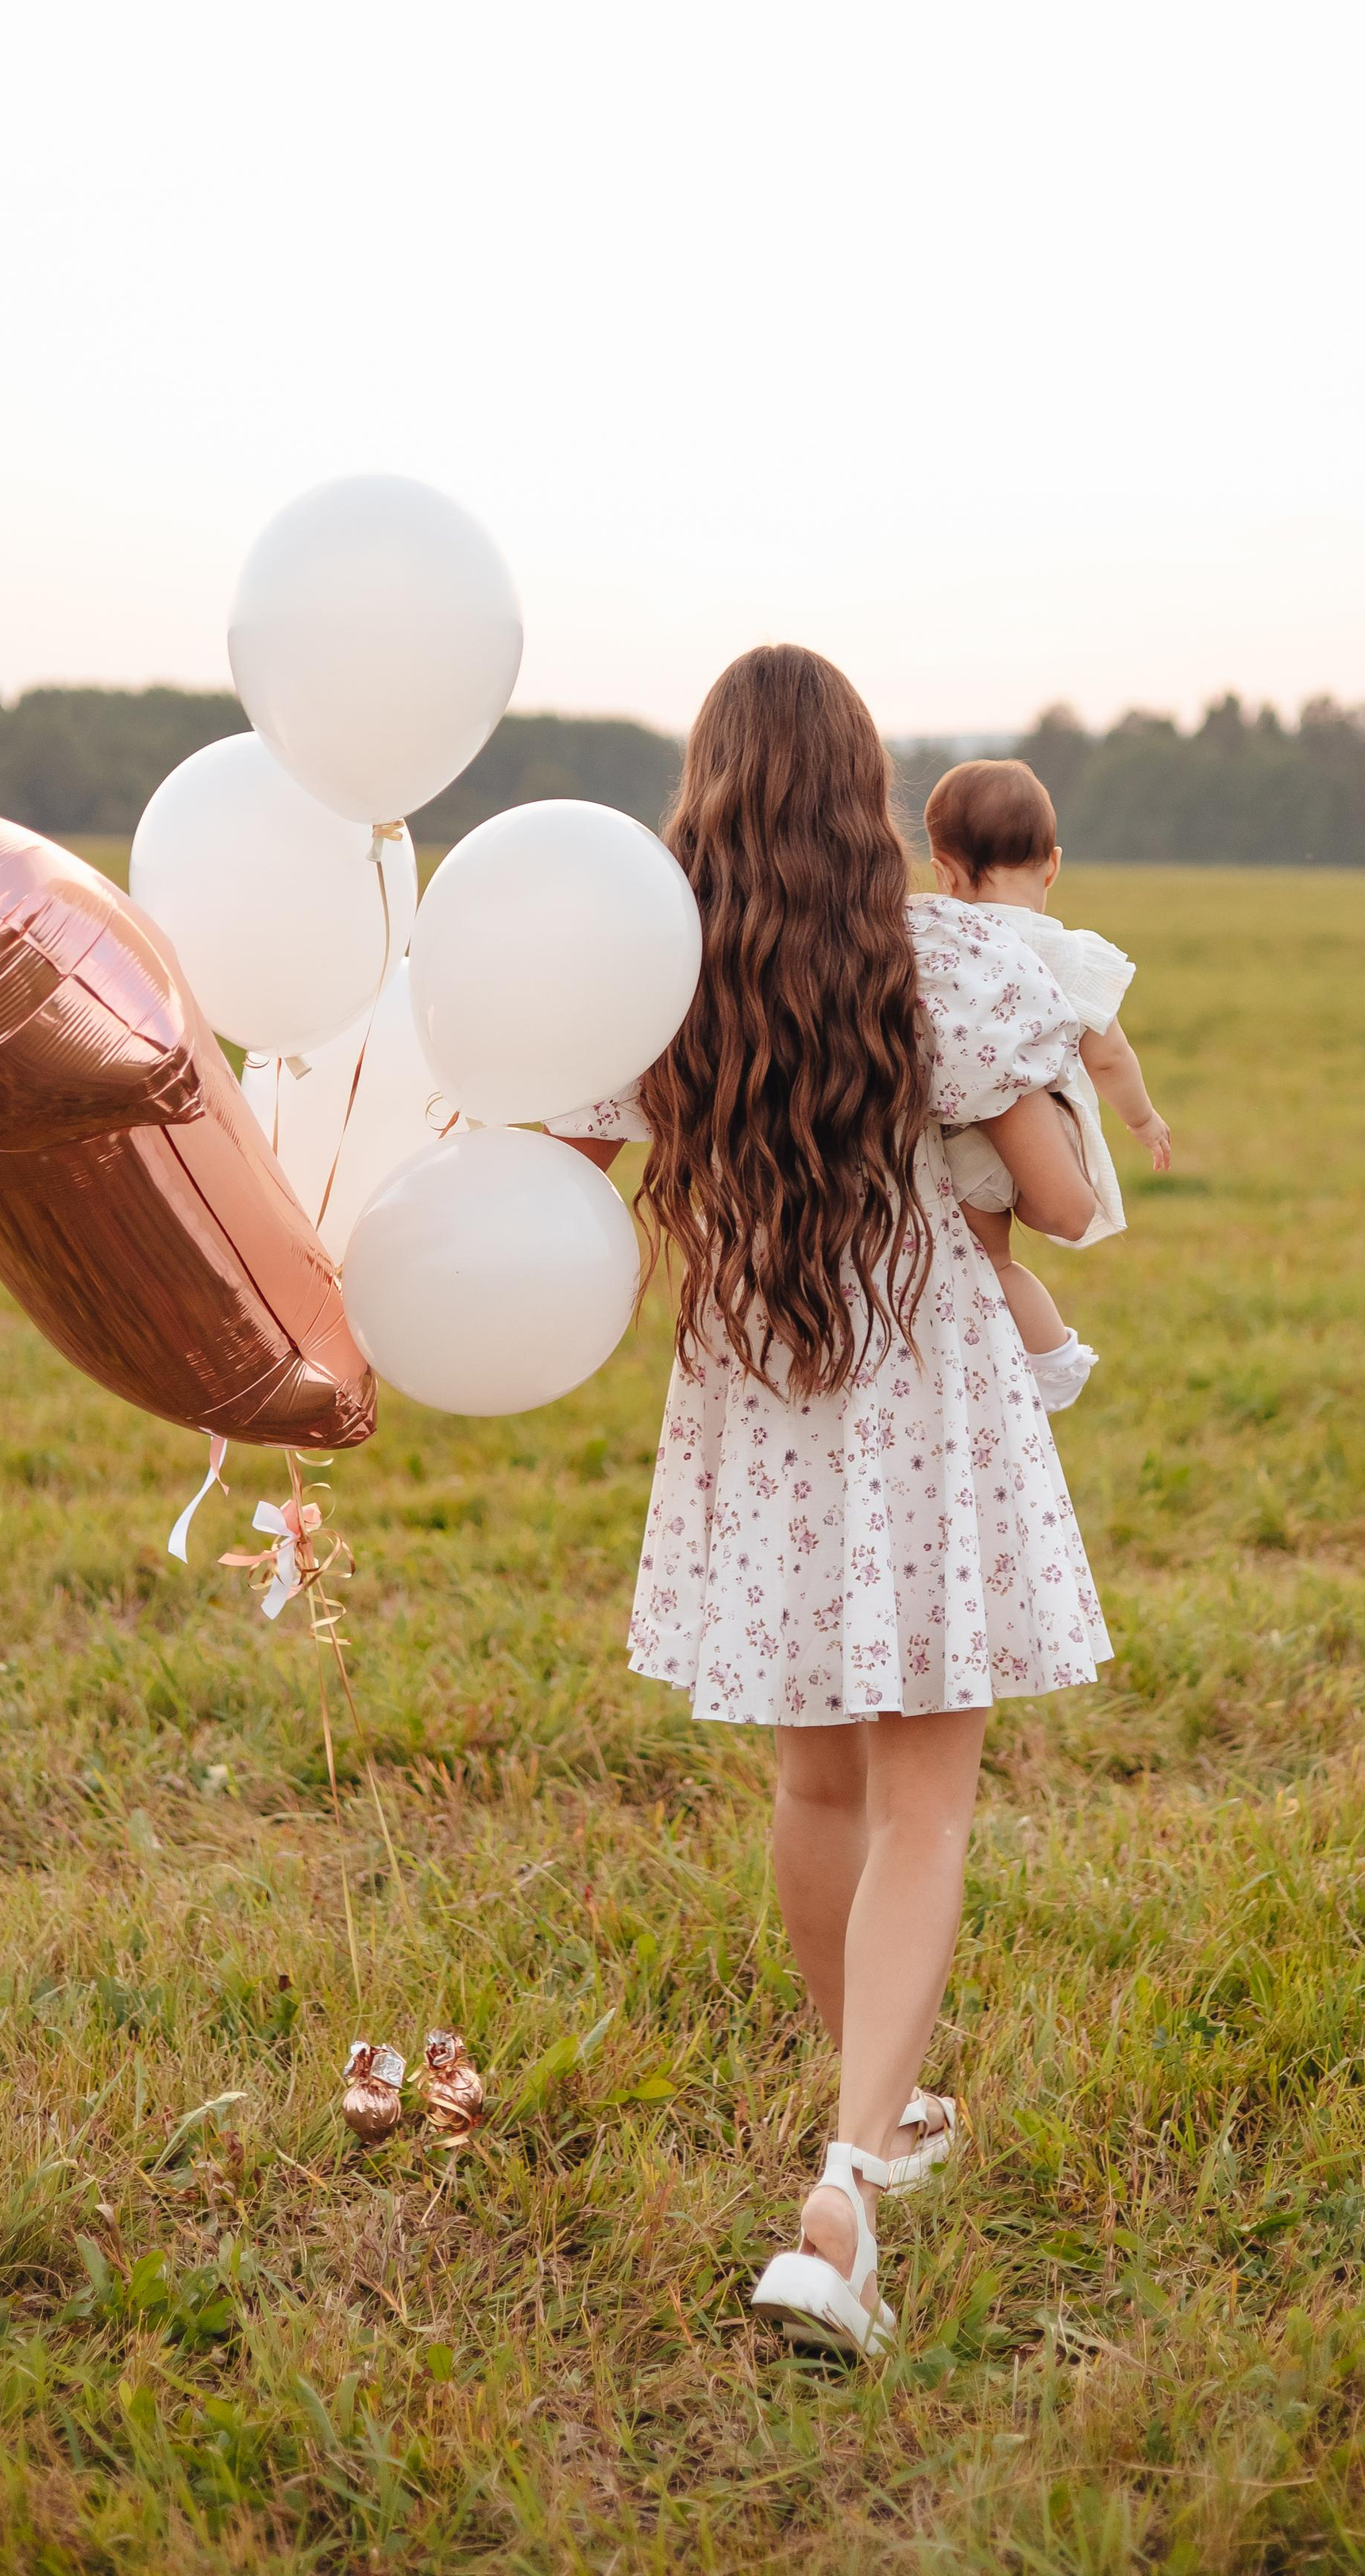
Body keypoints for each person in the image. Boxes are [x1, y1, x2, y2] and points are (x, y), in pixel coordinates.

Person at [550, 646, 1110, 2361]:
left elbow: (551, 1189)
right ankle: (849, 2187)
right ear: (863, 792)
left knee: (814, 1782)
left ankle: (875, 2105)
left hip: (758, 1404)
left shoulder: (648, 974)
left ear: (702, 788)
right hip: (925, 1397)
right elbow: (1067, 1207)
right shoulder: (938, 961)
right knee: (926, 1808)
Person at [921, 756, 1171, 1413]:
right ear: (1052, 865)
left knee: (985, 1264)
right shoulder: (1071, 954)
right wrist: (1143, 1120)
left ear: (943, 872)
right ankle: (1054, 1362)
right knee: (1003, 1260)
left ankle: (1040, 1359)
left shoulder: (941, 951)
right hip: (1049, 1137)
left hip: (969, 1136)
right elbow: (1111, 1056)